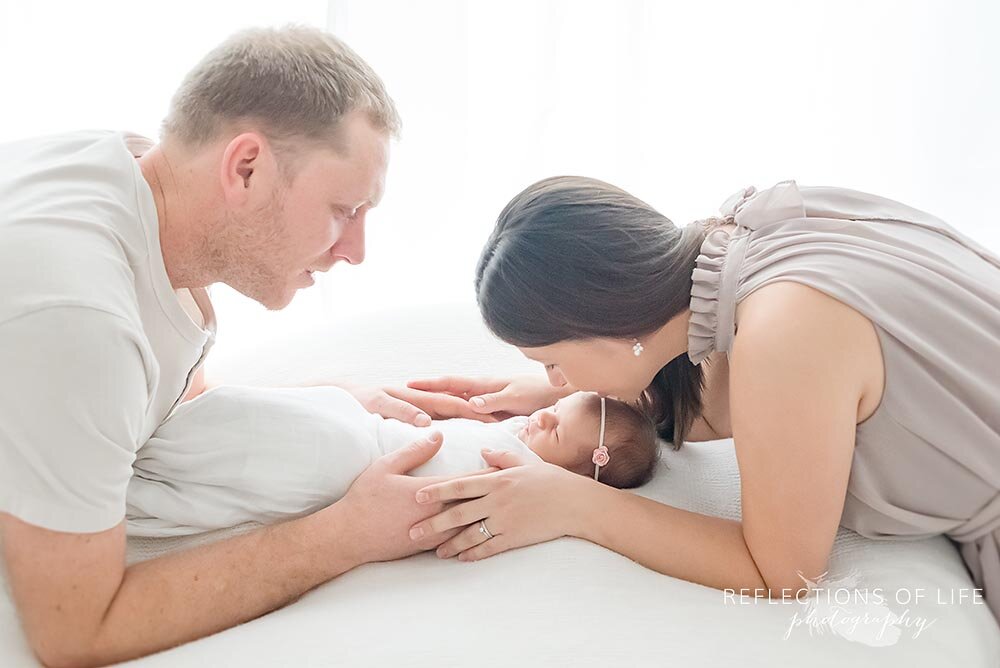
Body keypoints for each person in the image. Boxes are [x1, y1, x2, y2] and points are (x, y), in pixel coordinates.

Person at [0, 26, 484, 667]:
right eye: (345, 209)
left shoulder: (128, 172)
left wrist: (326, 399)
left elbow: (152, 389)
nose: (356, 251)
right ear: (246, 167)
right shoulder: (80, 317)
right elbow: (76, 632)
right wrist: (343, 535)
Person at [405, 176, 1000, 617]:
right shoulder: (738, 242)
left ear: (608, 321)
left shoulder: (783, 335)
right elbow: (747, 405)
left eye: (553, 361)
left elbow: (780, 573)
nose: (556, 382)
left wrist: (570, 503)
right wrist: (580, 402)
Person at [125, 385, 658, 537]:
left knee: (239, 467)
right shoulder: (518, 438)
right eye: (550, 410)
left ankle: (138, 474)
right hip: (357, 434)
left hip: (344, 462)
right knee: (243, 424)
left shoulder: (525, 477)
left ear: (582, 470)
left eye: (554, 429)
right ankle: (152, 436)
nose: (537, 420)